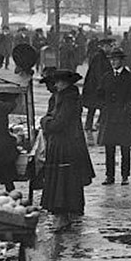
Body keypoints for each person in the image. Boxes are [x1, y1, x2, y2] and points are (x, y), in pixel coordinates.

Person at [39, 69, 95, 227]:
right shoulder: (64, 96)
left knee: (64, 179)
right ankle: (68, 212)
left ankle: (62, 215)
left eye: (58, 81)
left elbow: (59, 123)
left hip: (66, 144)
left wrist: (45, 122)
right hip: (66, 143)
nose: (55, 84)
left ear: (66, 83)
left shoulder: (69, 99)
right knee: (67, 179)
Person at [96, 47, 131, 186]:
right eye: (111, 60)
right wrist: (103, 106)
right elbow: (99, 94)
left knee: (125, 148)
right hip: (109, 118)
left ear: (121, 61)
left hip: (124, 118)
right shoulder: (106, 77)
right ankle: (109, 176)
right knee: (109, 148)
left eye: (115, 60)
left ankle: (124, 176)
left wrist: (128, 108)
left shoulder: (130, 78)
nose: (113, 62)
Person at [82, 39, 113, 139]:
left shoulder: (101, 56)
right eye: (109, 46)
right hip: (95, 87)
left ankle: (91, 124)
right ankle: (94, 124)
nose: (110, 48)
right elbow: (99, 73)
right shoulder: (99, 57)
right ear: (103, 46)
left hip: (95, 86)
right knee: (98, 106)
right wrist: (103, 85)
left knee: (95, 106)